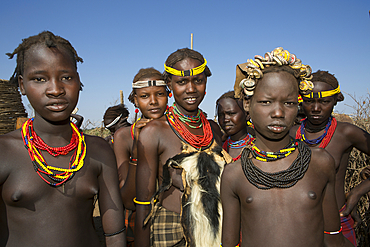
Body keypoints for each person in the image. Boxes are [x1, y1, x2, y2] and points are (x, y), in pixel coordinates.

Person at [0, 31, 126, 247]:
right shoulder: (5, 151)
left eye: (66, 77)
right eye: (39, 79)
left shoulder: (98, 151)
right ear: (22, 85)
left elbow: (114, 233)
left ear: (79, 81)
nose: (56, 89)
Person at [221, 47, 353, 247]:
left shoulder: (320, 162)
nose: (278, 112)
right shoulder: (234, 174)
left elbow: (332, 237)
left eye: (289, 103)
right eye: (266, 102)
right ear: (247, 104)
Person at [134, 48, 231, 247]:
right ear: (169, 84)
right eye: (181, 82)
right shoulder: (154, 131)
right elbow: (143, 203)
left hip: (216, 227)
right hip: (171, 232)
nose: (191, 89)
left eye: (198, 80)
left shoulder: (213, 128)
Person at [290, 70, 370, 246]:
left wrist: (357, 192)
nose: (316, 108)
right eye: (309, 101)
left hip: (338, 220)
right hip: (297, 222)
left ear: (335, 100)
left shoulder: (346, 133)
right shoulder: (290, 134)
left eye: (325, 102)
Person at [113, 67, 169, 246]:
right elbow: (128, 200)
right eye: (145, 96)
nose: (153, 101)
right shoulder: (124, 136)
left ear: (168, 95)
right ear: (135, 101)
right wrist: (138, 149)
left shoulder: (177, 132)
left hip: (172, 220)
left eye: (159, 94)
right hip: (138, 222)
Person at [216, 90, 254, 162]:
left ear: (247, 114)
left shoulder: (258, 149)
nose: (225, 119)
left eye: (231, 113)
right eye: (220, 115)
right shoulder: (219, 150)